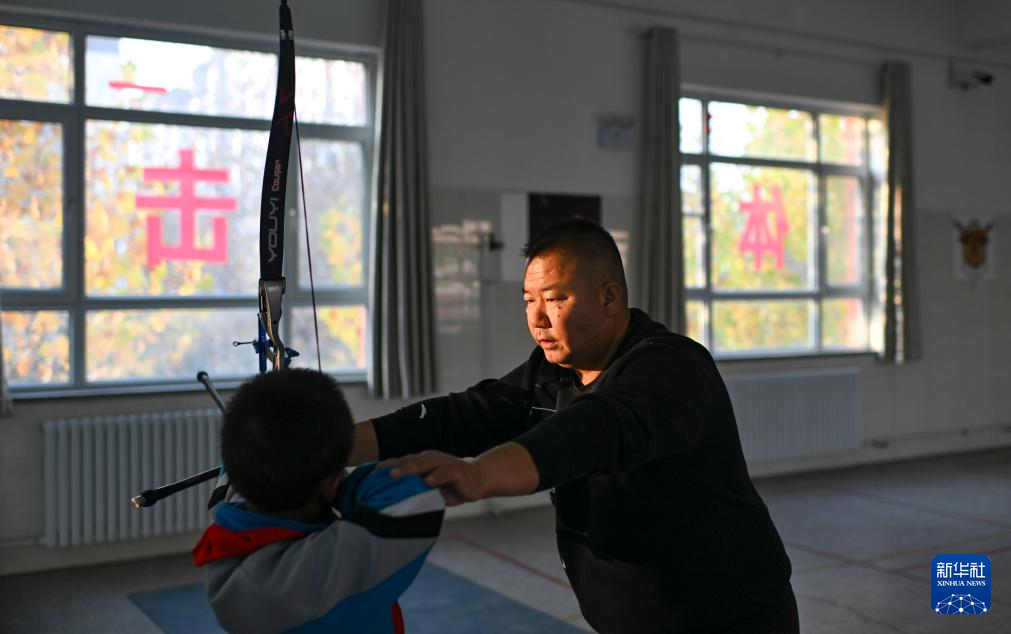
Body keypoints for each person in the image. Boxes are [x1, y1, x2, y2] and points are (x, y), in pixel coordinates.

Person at [350, 219, 798, 633]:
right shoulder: (553, 371)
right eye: (529, 301)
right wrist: (338, 446)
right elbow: (467, 414)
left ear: (609, 298)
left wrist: (478, 475)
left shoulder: (671, 367)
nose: (537, 319)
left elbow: (587, 431)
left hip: (729, 620)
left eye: (555, 299)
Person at [193, 368, 444, 634]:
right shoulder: (325, 568)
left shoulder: (225, 530)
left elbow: (231, 473)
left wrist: (323, 475)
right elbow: (417, 495)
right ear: (331, 482)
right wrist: (338, 485)